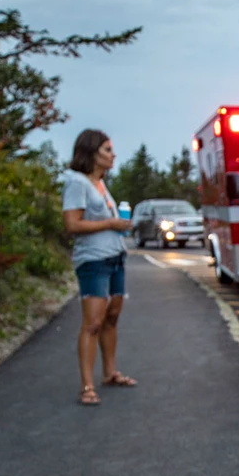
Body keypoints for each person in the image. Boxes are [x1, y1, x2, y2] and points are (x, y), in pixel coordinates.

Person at [61, 129, 136, 406]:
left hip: (115, 257)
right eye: (107, 149)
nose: (112, 154)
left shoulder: (101, 184)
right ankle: (87, 386)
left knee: (112, 317)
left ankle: (109, 372)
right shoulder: (77, 183)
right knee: (92, 323)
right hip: (93, 261)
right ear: (91, 152)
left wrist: (120, 226)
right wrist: (110, 224)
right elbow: (72, 225)